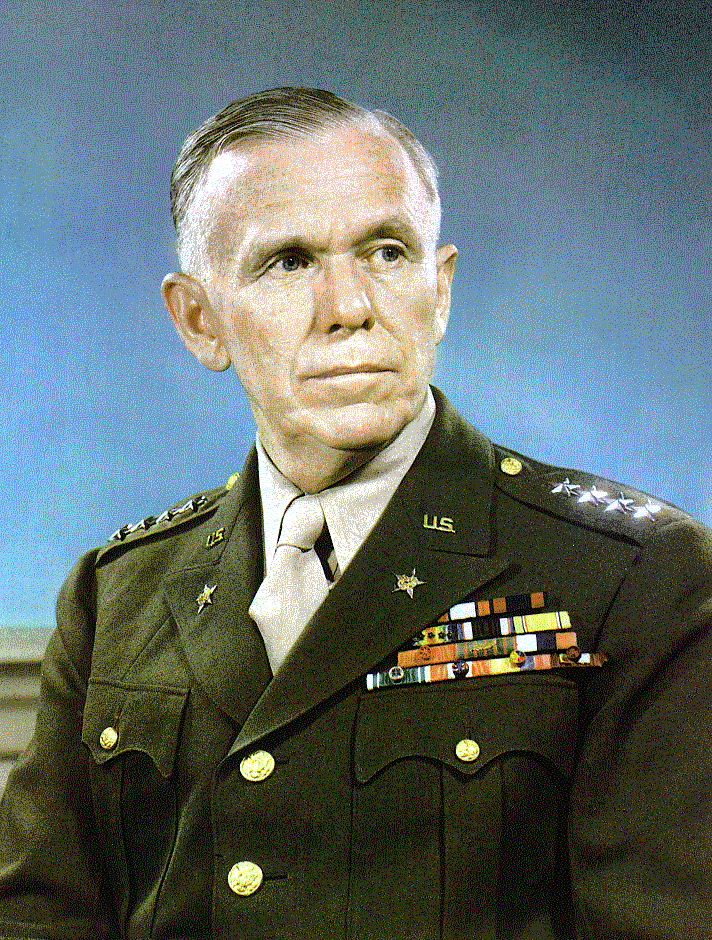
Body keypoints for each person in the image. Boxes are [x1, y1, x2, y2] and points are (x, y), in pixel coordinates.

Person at [1, 87, 711, 940]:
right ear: (198, 321)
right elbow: (37, 918)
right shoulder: (116, 596)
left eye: (385, 252)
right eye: (288, 262)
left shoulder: (630, 578)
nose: (350, 307)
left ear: (439, 291)